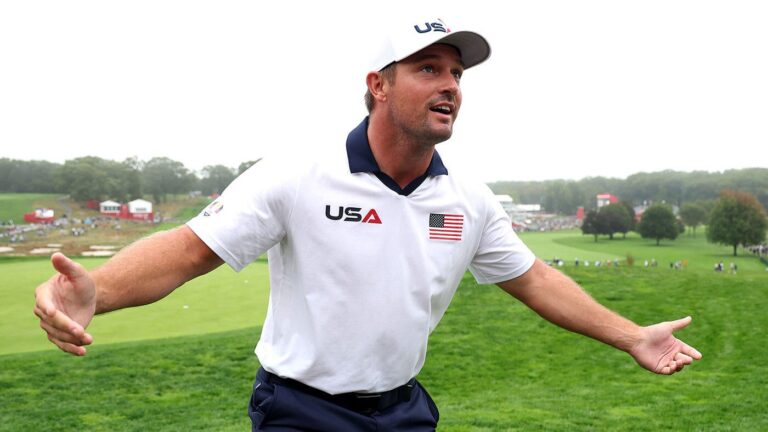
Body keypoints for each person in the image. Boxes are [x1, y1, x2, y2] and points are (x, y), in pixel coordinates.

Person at [33, 17, 702, 432]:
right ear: (378, 85)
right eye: (428, 68)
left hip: (404, 409)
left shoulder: (468, 198)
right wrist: (99, 292)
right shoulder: (297, 173)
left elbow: (534, 279)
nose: (450, 85)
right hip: (302, 410)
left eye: (456, 73)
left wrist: (631, 336)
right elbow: (188, 251)